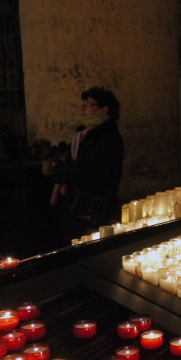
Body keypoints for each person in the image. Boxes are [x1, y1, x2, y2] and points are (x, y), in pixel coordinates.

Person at [48, 87, 124, 243]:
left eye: (89, 104)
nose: (83, 108)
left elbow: (85, 169)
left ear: (103, 110)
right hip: (77, 204)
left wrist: (56, 170)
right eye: (84, 104)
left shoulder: (109, 138)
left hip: (93, 206)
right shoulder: (84, 135)